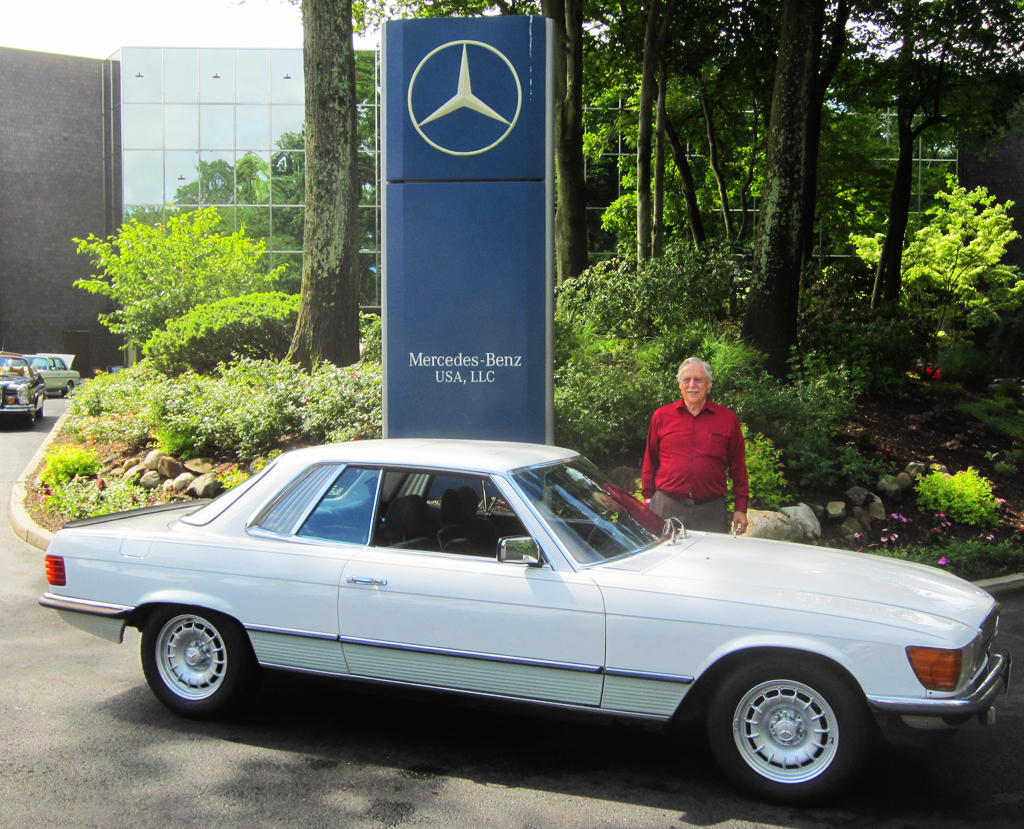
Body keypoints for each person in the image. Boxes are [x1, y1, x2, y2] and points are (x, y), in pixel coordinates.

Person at [641, 357, 749, 534]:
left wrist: (741, 507)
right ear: (680, 385)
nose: (692, 385)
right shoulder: (662, 416)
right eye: (686, 380)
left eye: (698, 380)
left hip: (710, 512)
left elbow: (738, 467)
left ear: (708, 384)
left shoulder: (727, 419)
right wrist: (647, 499)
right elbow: (650, 461)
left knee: (709, 560)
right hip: (665, 508)